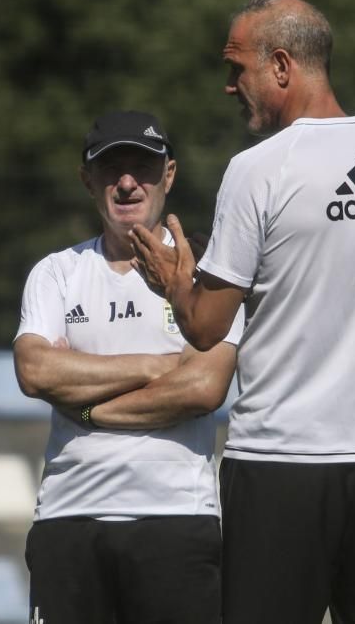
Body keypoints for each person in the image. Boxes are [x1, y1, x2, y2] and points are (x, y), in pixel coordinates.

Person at [130, 0, 355, 623]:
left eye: (236, 68)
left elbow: (208, 326)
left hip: (281, 465)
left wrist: (172, 282)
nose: (229, 86)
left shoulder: (259, 169)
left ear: (281, 65)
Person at [14, 111, 244, 624]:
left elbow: (205, 386)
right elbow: (34, 371)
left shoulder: (208, 275)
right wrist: (159, 365)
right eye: (110, 168)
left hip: (176, 519)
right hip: (68, 517)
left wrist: (88, 405)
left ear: (169, 176)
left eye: (141, 167)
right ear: (87, 180)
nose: (125, 182)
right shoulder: (57, 272)